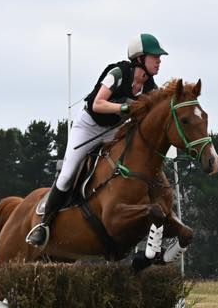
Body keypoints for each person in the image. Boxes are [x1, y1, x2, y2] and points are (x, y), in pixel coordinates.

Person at [25, 33, 169, 247]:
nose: (159, 61)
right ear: (140, 58)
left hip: (114, 129)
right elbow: (98, 104)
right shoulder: (118, 73)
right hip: (88, 127)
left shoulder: (150, 87)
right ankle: (44, 224)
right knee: (66, 176)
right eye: (154, 57)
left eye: (159, 57)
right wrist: (124, 107)